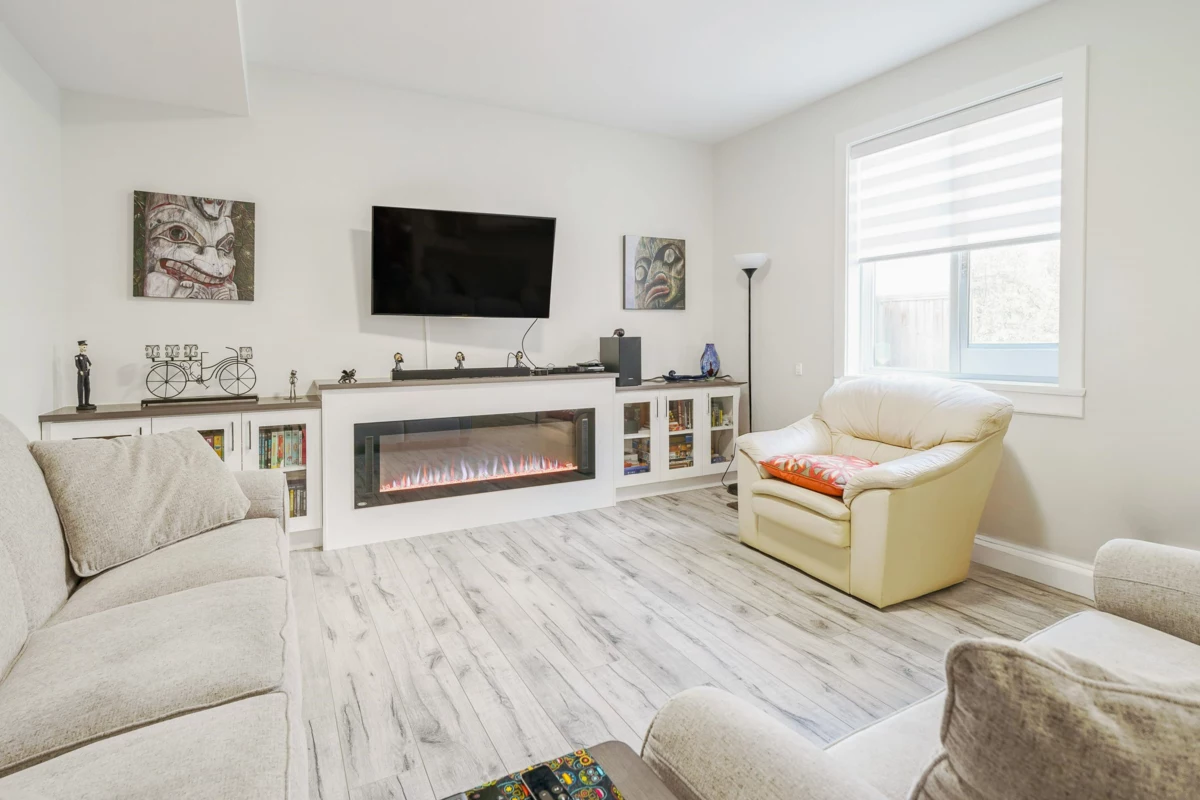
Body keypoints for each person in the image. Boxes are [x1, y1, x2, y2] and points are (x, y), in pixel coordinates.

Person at [75, 340, 96, 411]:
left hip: (86, 373)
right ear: (80, 347)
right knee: (80, 387)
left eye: (85, 347)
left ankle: (87, 402)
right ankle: (80, 403)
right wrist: (80, 370)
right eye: (84, 347)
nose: (85, 348)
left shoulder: (85, 356)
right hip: (81, 373)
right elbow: (77, 364)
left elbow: (90, 363)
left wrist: (88, 370)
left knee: (87, 387)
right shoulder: (77, 357)